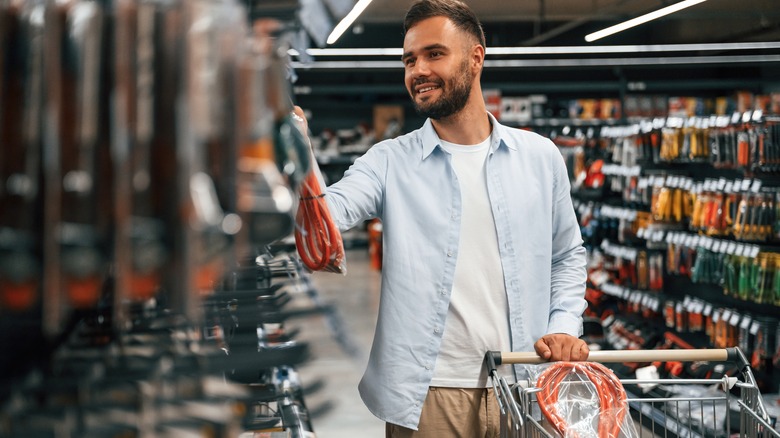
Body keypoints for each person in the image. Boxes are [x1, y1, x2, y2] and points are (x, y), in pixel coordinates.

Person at [295, 0, 589, 435]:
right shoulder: (389, 162)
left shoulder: (540, 158)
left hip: (526, 382)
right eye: (409, 60)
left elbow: (567, 255)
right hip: (429, 395)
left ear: (476, 57)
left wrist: (564, 325)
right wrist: (297, 156)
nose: (418, 70)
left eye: (434, 54)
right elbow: (327, 221)